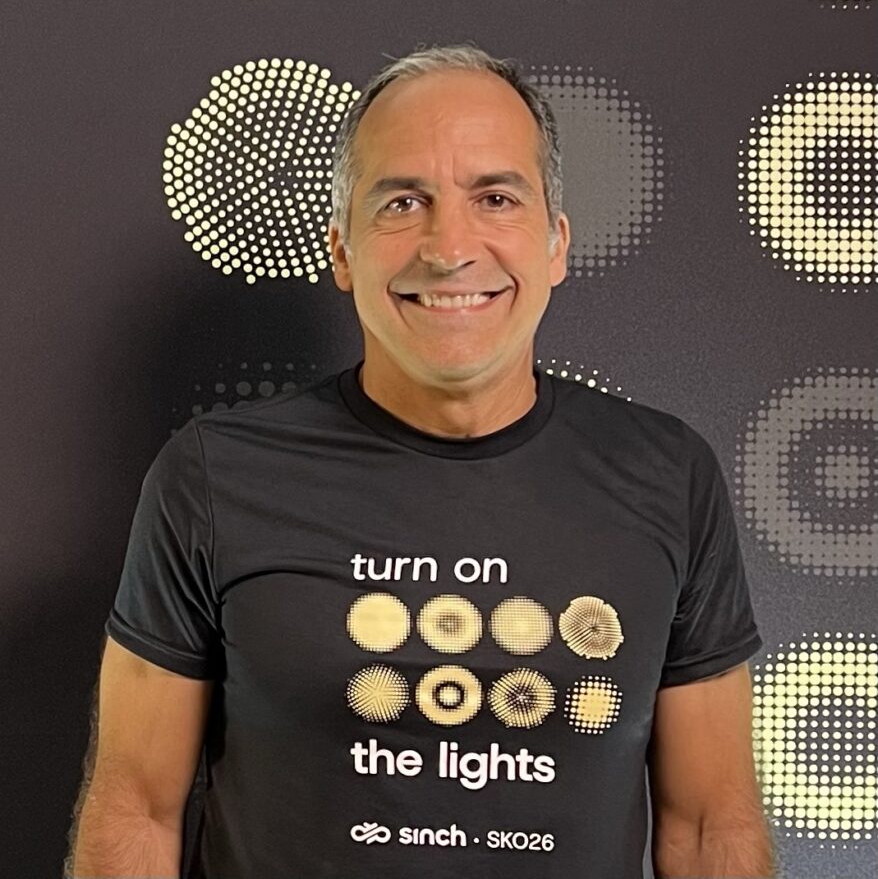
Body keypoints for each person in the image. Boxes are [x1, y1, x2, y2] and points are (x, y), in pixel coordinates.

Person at [68, 43, 776, 878]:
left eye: (495, 198)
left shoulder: (668, 475)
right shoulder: (214, 477)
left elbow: (710, 826)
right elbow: (137, 810)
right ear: (342, 251)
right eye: (403, 202)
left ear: (555, 245)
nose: (449, 247)